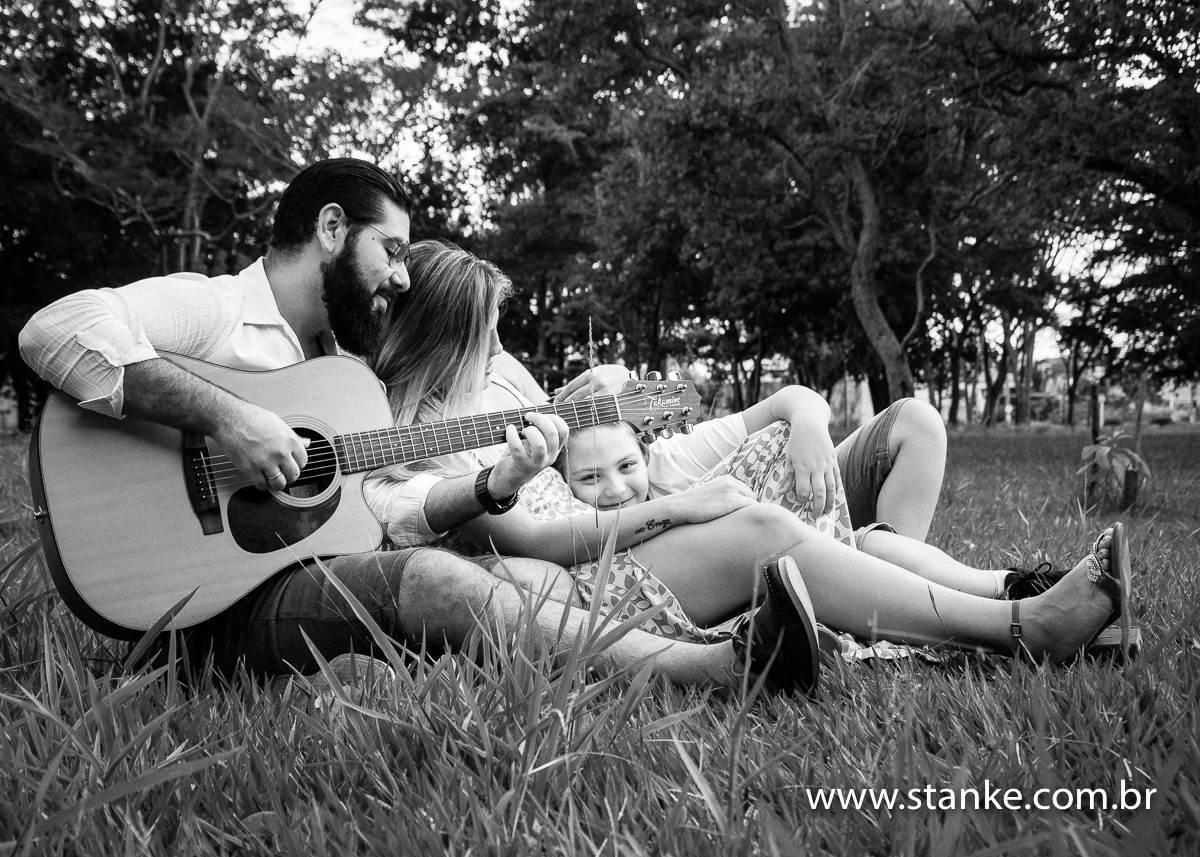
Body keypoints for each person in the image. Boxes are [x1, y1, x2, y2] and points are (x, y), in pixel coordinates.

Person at [18, 158, 820, 694]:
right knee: (436, 581)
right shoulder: (213, 309)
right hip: (190, 603)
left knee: (433, 574)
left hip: (282, 582)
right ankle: (714, 669)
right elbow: (53, 330)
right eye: (390, 250)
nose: (402, 275)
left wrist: (491, 483)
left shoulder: (344, 372)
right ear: (331, 230)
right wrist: (228, 418)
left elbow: (389, 508)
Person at [369, 239, 1137, 668]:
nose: (501, 349)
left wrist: (653, 482)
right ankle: (1016, 625)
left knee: (776, 459)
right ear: (446, 337)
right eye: (488, 334)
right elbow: (535, 539)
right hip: (583, 586)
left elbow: (612, 450)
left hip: (623, 547)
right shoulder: (418, 448)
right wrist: (675, 507)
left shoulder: (499, 399)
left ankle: (990, 605)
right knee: (763, 530)